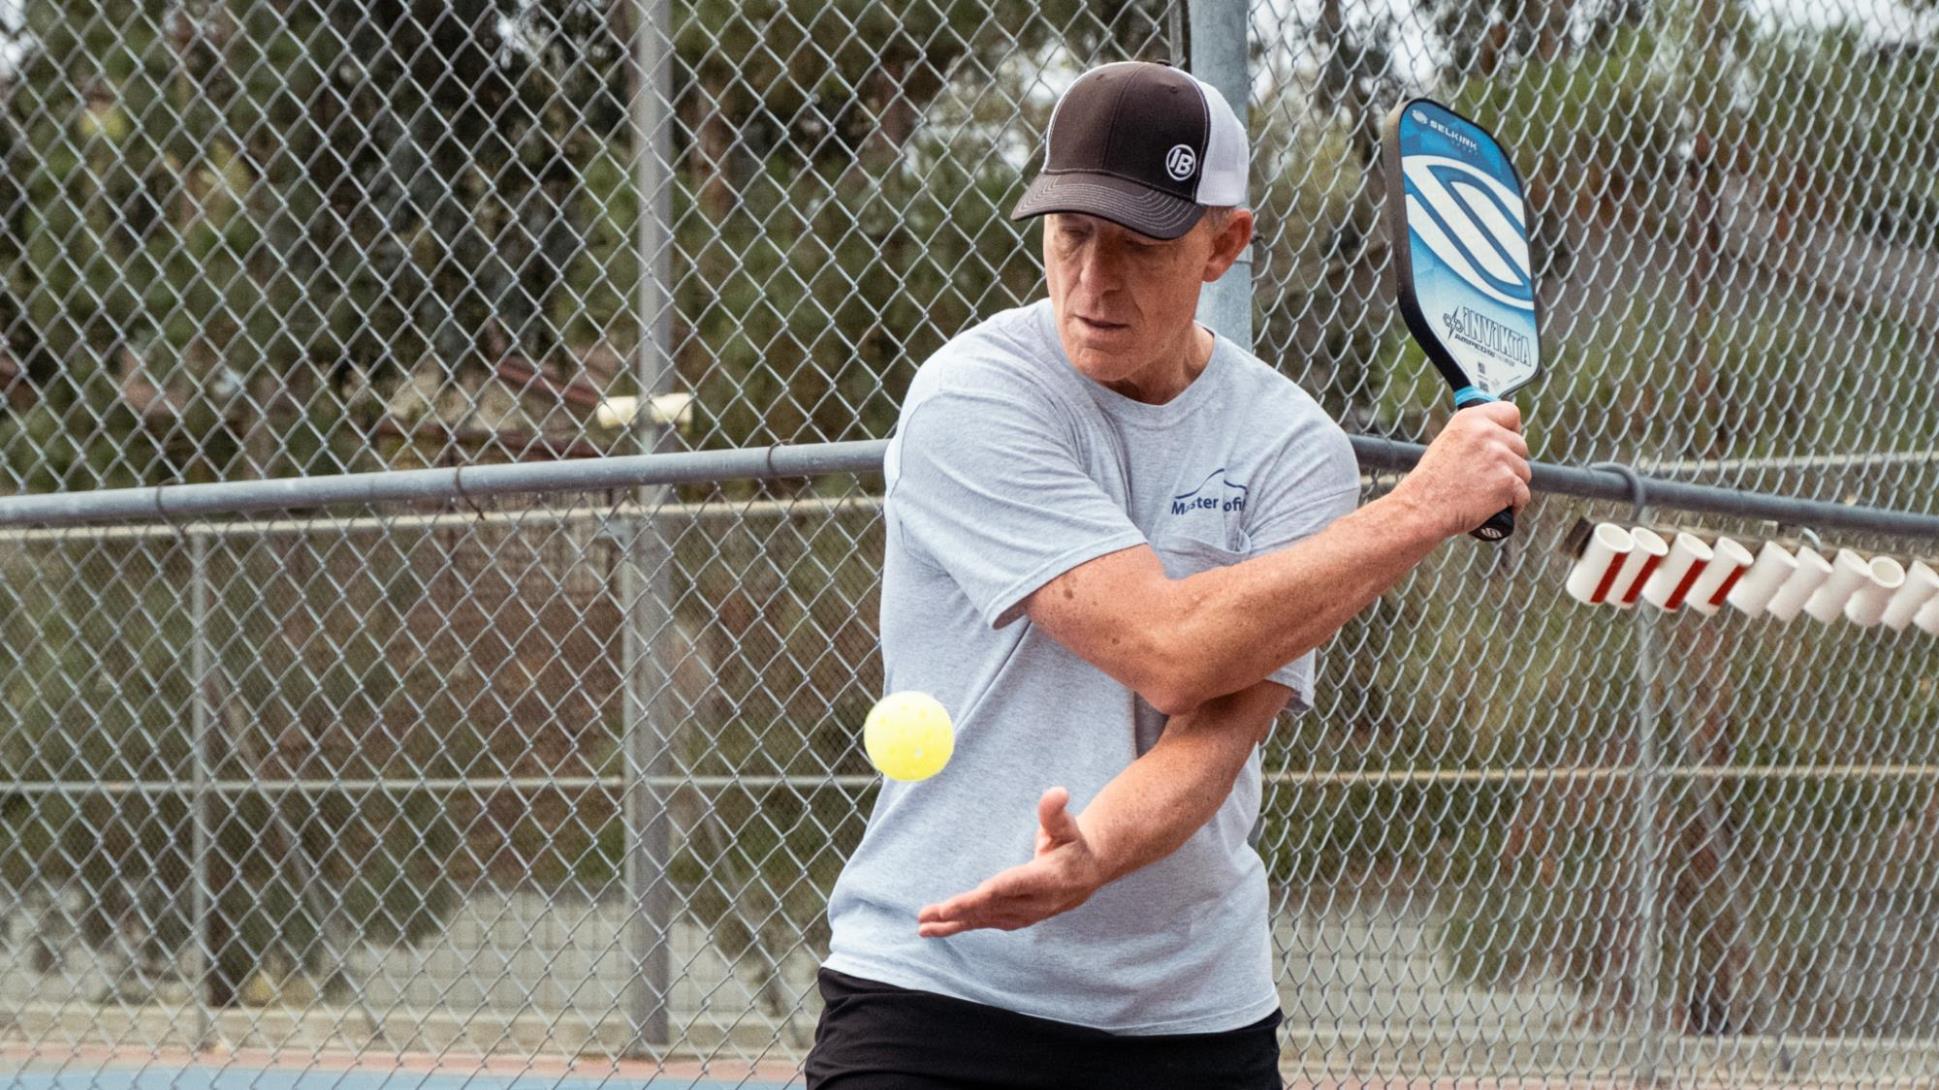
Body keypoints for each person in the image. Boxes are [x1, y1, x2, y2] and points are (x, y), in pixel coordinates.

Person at [805, 61, 1530, 1089]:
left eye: (1140, 247)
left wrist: (1095, 849)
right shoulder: (971, 397)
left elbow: (1217, 730)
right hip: (938, 986)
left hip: (1192, 1020)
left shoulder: (1293, 450)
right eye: (1071, 235)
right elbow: (1170, 649)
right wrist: (1419, 508)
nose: (1094, 282)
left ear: (1224, 245)